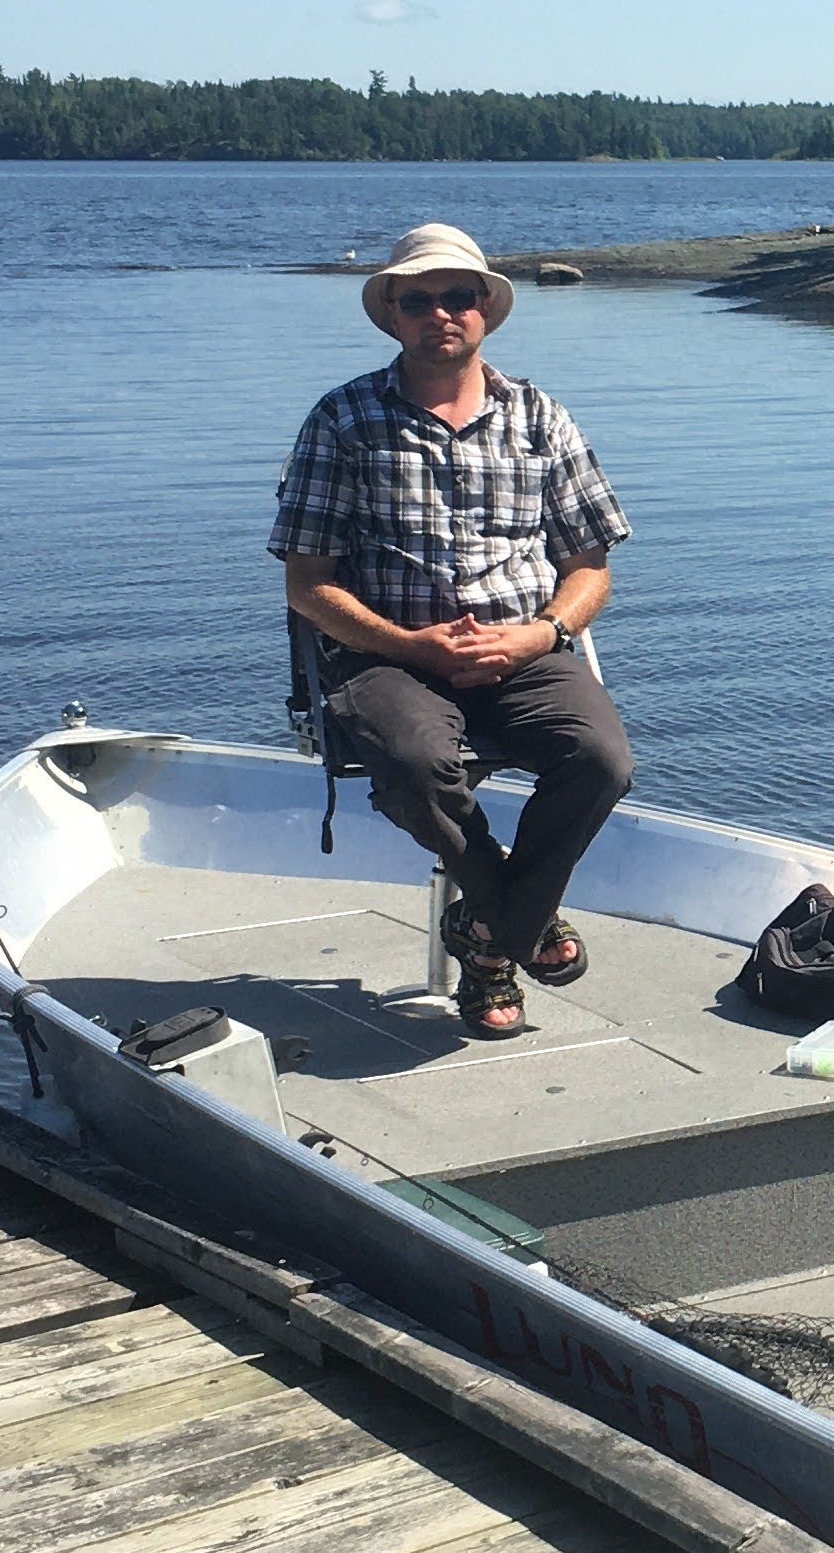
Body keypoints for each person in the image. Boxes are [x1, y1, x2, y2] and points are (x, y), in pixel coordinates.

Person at [272, 221, 635, 1040]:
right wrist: (409, 646)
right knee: (412, 762)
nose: (443, 314)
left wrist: (540, 635)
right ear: (393, 315)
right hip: (387, 653)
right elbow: (308, 584)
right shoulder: (343, 421)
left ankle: (486, 926)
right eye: (420, 300)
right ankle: (514, 927)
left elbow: (591, 567)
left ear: (487, 312)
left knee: (603, 761)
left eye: (460, 297)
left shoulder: (539, 416)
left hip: (523, 646)